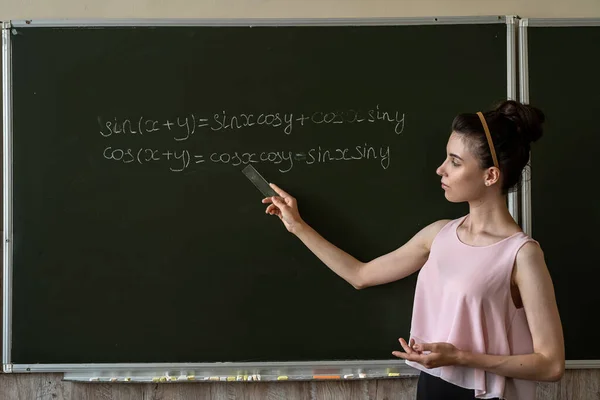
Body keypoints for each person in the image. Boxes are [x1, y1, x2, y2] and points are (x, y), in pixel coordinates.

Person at [262, 100, 565, 400]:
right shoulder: (439, 234)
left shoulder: (521, 254)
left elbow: (551, 364)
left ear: (490, 176)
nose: (440, 169)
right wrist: (297, 226)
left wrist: (461, 357)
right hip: (432, 387)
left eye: (455, 162)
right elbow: (360, 274)